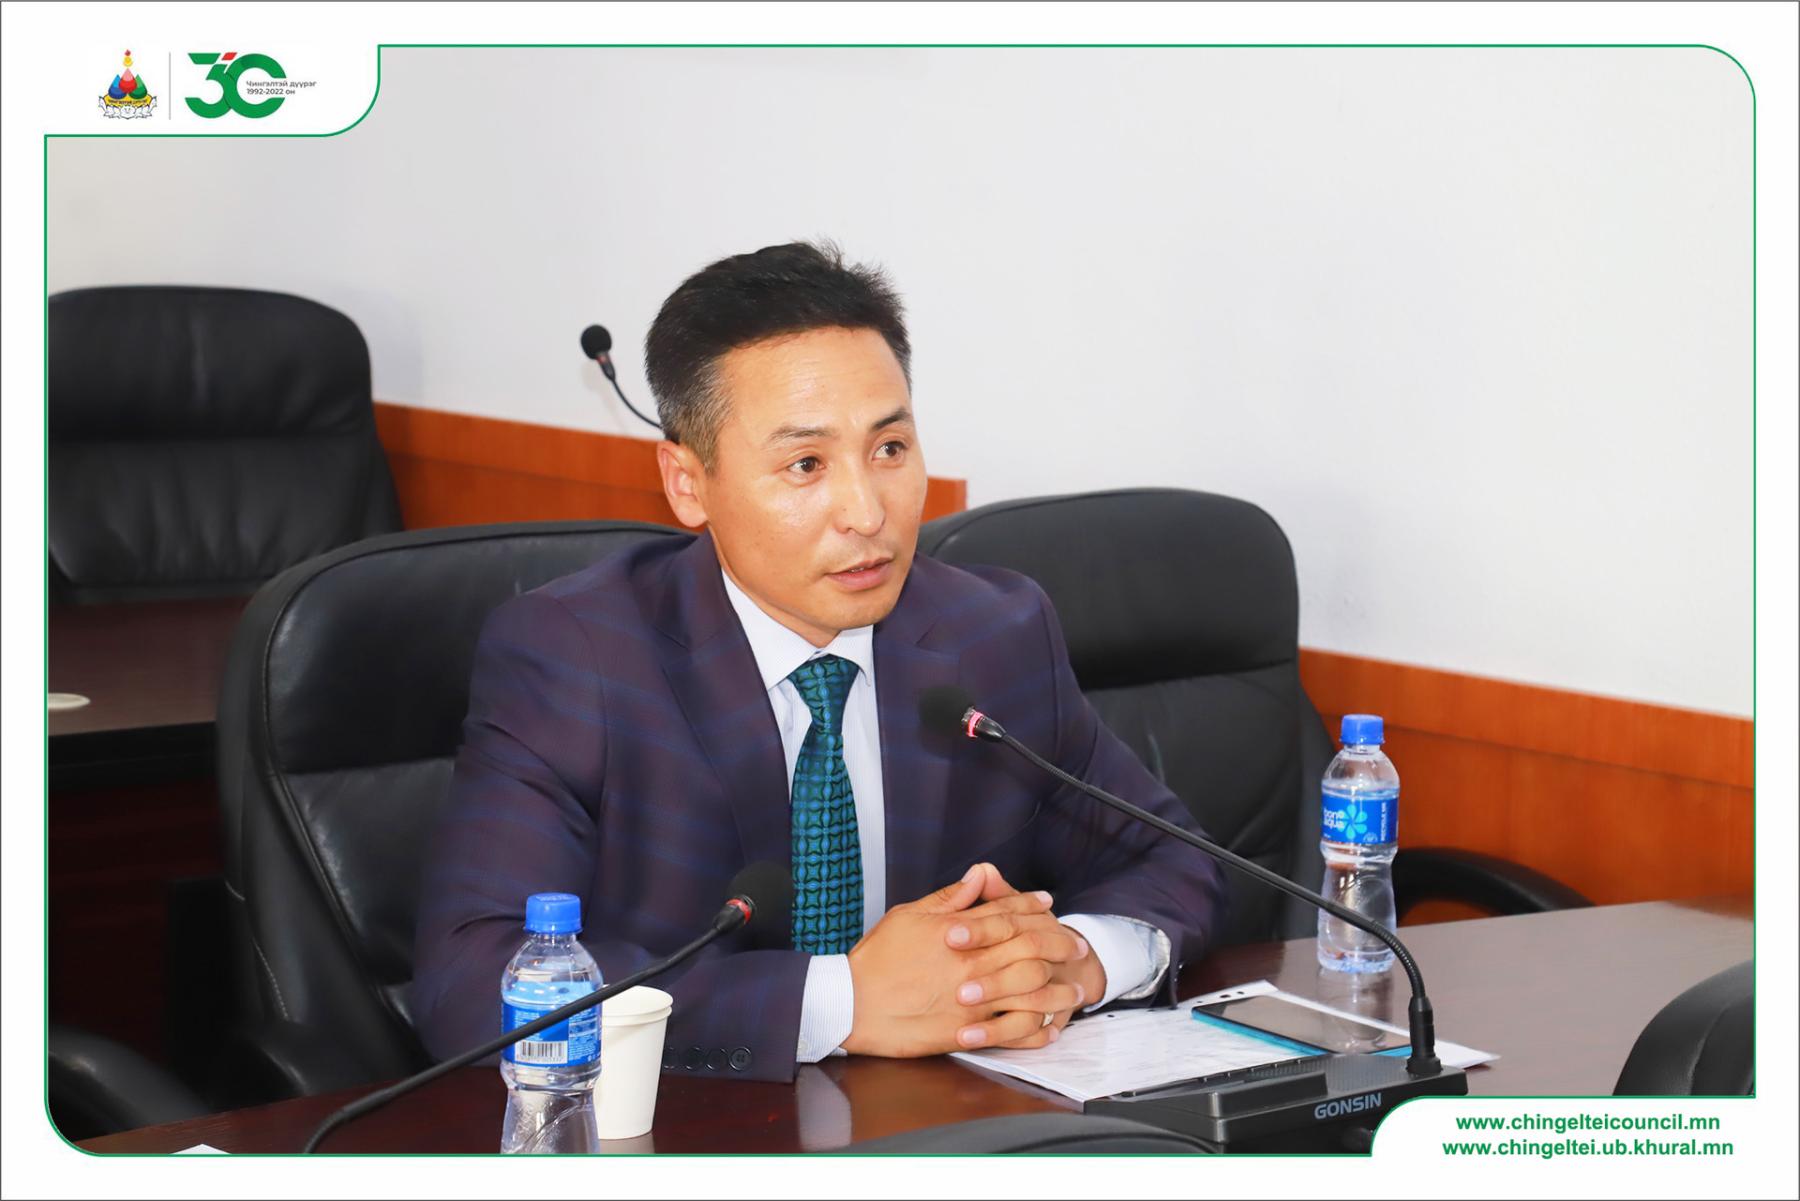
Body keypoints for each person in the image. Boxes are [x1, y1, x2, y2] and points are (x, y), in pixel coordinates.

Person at [410, 240, 1227, 1082]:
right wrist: (843, 1002)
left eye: (889, 449)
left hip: (941, 1121)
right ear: (688, 483)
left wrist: (1075, 960)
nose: (867, 512)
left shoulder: (994, 634)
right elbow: (469, 982)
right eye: (806, 464)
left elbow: (1176, 859)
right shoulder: (576, 658)